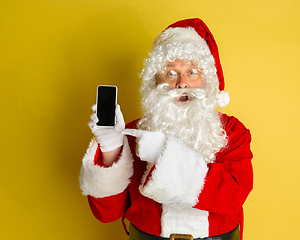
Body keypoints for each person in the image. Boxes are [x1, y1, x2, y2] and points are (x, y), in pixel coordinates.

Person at [80, 18, 253, 240]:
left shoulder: (232, 132)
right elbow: (108, 213)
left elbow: (233, 196)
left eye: (192, 72)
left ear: (208, 80)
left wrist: (163, 154)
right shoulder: (134, 132)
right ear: (155, 80)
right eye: (171, 73)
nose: (182, 83)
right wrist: (111, 150)